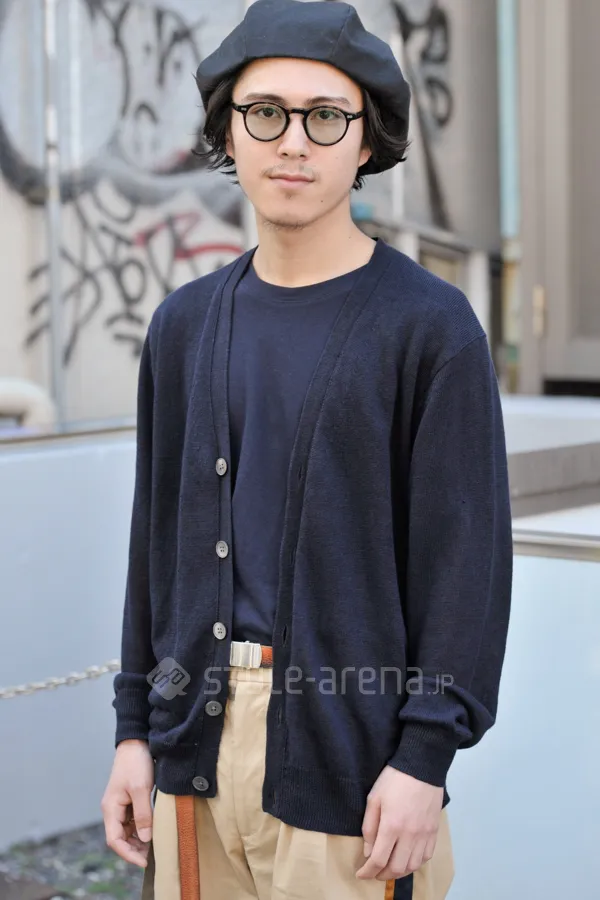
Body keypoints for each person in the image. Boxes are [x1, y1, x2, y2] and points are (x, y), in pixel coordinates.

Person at [101, 1, 513, 898]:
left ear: (365, 141)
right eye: (266, 113)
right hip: (191, 753)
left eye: (325, 116)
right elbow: (155, 545)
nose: (293, 142)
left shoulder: (430, 328)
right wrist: (133, 730)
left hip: (353, 768)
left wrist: (425, 757)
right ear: (229, 131)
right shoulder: (182, 327)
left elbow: (466, 565)